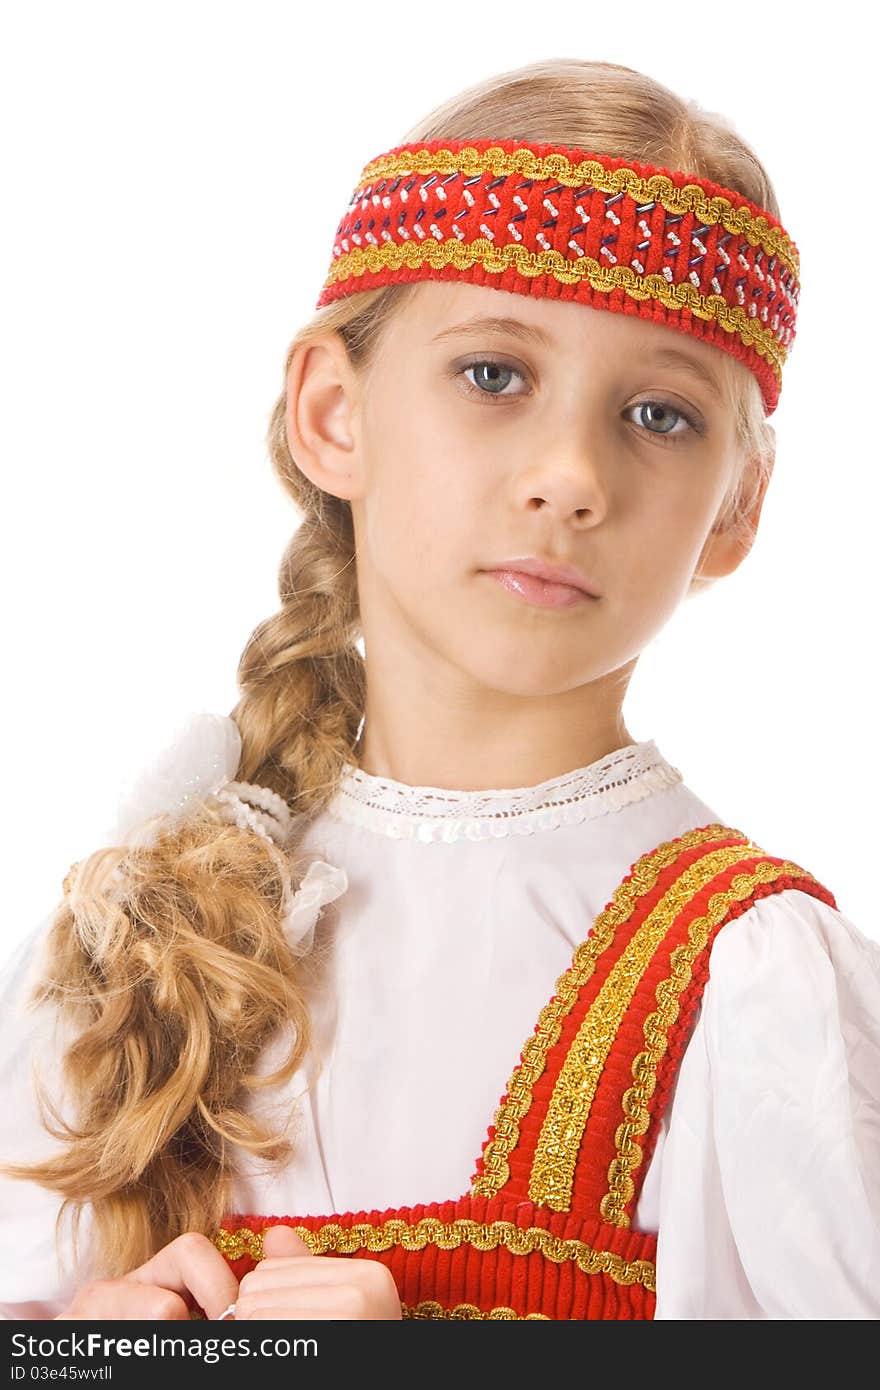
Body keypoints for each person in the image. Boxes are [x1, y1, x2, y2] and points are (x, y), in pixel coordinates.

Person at [1, 55, 878, 1323]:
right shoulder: (127, 959)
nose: (571, 474)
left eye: (660, 414)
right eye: (493, 376)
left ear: (736, 508)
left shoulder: (749, 987)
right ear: (331, 412)